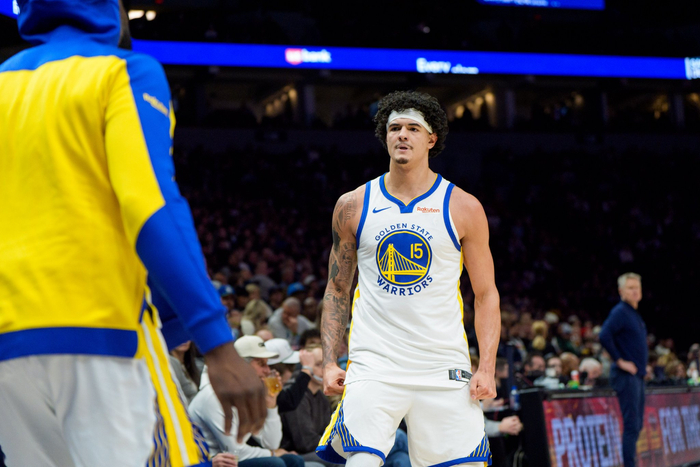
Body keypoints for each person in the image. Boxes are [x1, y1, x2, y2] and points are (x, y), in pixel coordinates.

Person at [0, 1, 266, 466]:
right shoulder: (124, 71)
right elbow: (151, 208)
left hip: (9, 347)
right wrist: (217, 344)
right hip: (100, 334)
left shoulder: (3, 80)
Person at [316, 91, 500, 467]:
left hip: (442, 364)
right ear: (384, 136)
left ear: (431, 139)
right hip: (375, 363)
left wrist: (486, 367)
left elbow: (485, 294)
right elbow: (337, 288)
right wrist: (329, 361)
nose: (402, 134)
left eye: (413, 128)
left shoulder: (463, 206)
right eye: (394, 128)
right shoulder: (353, 205)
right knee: (361, 462)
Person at [189, 336, 304, 467]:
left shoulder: (245, 393)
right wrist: (272, 454)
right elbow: (235, 452)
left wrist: (270, 402)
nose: (267, 370)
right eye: (261, 364)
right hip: (211, 463)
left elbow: (271, 443)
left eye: (267, 364)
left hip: (231, 459)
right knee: (275, 463)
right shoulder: (213, 395)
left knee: (294, 461)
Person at [599, 272, 647, 467]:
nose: (635, 291)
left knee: (636, 425)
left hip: (637, 376)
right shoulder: (620, 311)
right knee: (631, 425)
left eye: (637, 287)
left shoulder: (633, 313)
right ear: (621, 291)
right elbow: (604, 335)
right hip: (625, 376)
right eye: (630, 288)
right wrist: (620, 361)